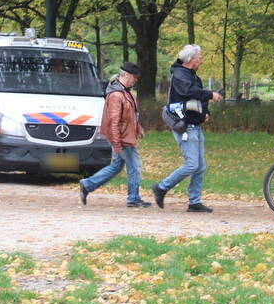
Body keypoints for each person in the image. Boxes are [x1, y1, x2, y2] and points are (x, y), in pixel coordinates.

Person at [152, 44, 223, 212]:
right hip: (185, 128)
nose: (202, 61)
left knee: (200, 166)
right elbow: (189, 92)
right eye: (200, 58)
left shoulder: (191, 75)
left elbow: (198, 98)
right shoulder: (180, 76)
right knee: (192, 165)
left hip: (194, 126)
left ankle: (194, 202)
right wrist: (211, 94)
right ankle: (161, 187)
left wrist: (205, 113)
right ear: (191, 60)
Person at [78, 62, 149, 208]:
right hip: (123, 138)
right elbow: (113, 121)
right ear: (126, 75)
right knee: (134, 167)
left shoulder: (125, 92)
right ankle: (133, 198)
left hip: (124, 135)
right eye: (134, 77)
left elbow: (130, 115)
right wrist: (117, 143)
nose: (136, 80)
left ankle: (87, 184)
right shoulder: (116, 94)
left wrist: (138, 127)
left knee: (116, 166)